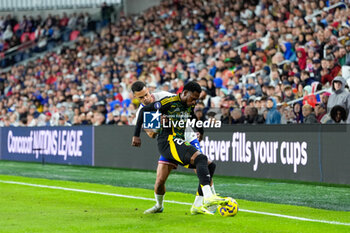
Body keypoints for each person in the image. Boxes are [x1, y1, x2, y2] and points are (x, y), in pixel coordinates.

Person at [131, 81, 218, 215]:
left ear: (149, 90)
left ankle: (208, 200)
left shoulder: (165, 97)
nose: (145, 98)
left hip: (187, 136)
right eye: (141, 98)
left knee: (203, 165)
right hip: (169, 141)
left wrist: (200, 130)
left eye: (146, 95)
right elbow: (151, 134)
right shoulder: (142, 113)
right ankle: (159, 205)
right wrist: (158, 125)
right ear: (136, 98)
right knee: (160, 181)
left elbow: (185, 109)